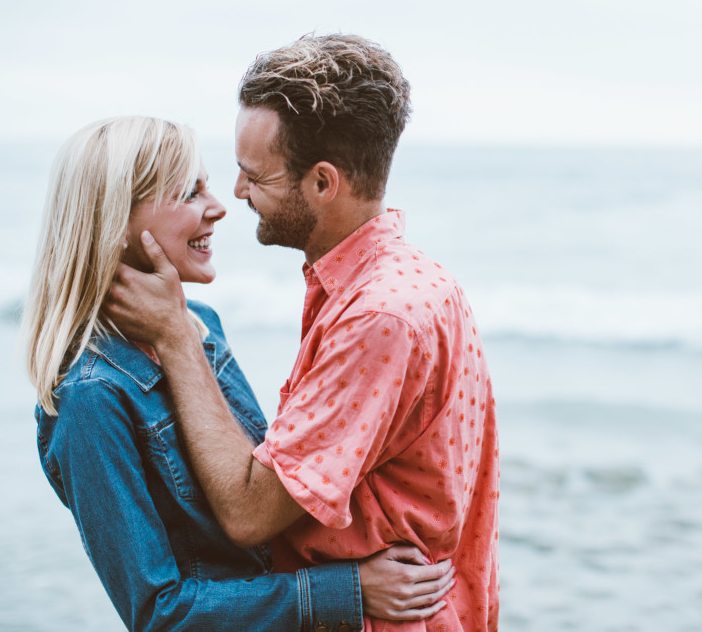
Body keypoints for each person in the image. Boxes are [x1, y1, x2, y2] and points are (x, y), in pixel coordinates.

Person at [105, 34, 500, 630]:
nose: (236, 195)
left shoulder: (376, 318)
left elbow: (247, 512)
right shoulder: (416, 281)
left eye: (253, 176)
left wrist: (175, 337)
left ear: (322, 182)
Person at [22, 116, 455, 631]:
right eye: (188, 192)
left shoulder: (199, 325)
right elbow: (159, 614)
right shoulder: (90, 398)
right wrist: (349, 589)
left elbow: (257, 483)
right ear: (115, 221)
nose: (219, 206)